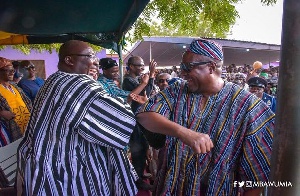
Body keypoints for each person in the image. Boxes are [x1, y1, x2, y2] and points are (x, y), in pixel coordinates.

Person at [136, 38, 275, 196]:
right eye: (182, 67)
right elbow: (144, 114)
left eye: (188, 67)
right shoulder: (178, 90)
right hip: (170, 188)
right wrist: (183, 132)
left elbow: (256, 177)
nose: (182, 72)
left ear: (211, 67)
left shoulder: (247, 105)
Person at [16, 40, 138, 196]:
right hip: (64, 173)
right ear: (69, 60)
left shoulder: (53, 80)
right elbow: (120, 118)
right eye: (89, 56)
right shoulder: (75, 83)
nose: (95, 61)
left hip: (42, 166)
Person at [122, 56, 156, 191]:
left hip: (139, 119)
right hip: (134, 120)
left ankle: (140, 174)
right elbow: (145, 95)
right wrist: (151, 76)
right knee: (138, 150)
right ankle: (137, 181)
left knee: (142, 148)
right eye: (139, 65)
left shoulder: (136, 79)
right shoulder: (128, 81)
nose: (142, 68)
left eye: (143, 65)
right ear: (130, 66)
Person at [0, 57, 32, 147]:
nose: (12, 73)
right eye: (8, 70)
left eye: (13, 70)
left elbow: (28, 103)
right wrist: (1, 113)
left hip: (27, 129)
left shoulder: (15, 86)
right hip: (11, 132)